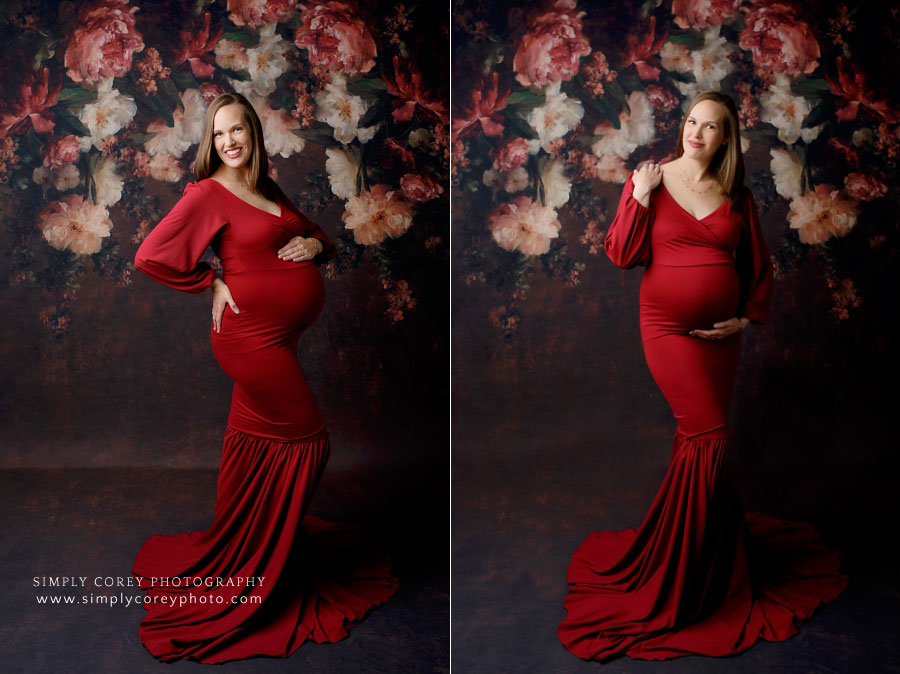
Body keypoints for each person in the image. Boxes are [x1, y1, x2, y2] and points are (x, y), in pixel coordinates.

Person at [557, 92, 847, 661]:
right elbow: (620, 254)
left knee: (700, 440)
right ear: (682, 126)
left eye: (711, 127)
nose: (697, 133)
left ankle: (710, 561)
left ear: (726, 138)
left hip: (722, 339)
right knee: (709, 435)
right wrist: (638, 199)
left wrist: (743, 316)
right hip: (665, 328)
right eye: (692, 121)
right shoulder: (650, 179)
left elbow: (756, 265)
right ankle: (678, 579)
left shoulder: (737, 194)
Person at [132, 92, 398, 664]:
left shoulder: (267, 192)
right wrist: (211, 282)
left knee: (250, 449)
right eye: (219, 133)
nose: (229, 141)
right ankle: (261, 568)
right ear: (212, 141)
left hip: (279, 339)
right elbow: (150, 255)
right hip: (249, 341)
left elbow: (317, 235)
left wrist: (315, 245)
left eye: (238, 132)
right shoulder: (208, 193)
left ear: (253, 135)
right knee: (309, 442)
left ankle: (241, 544)